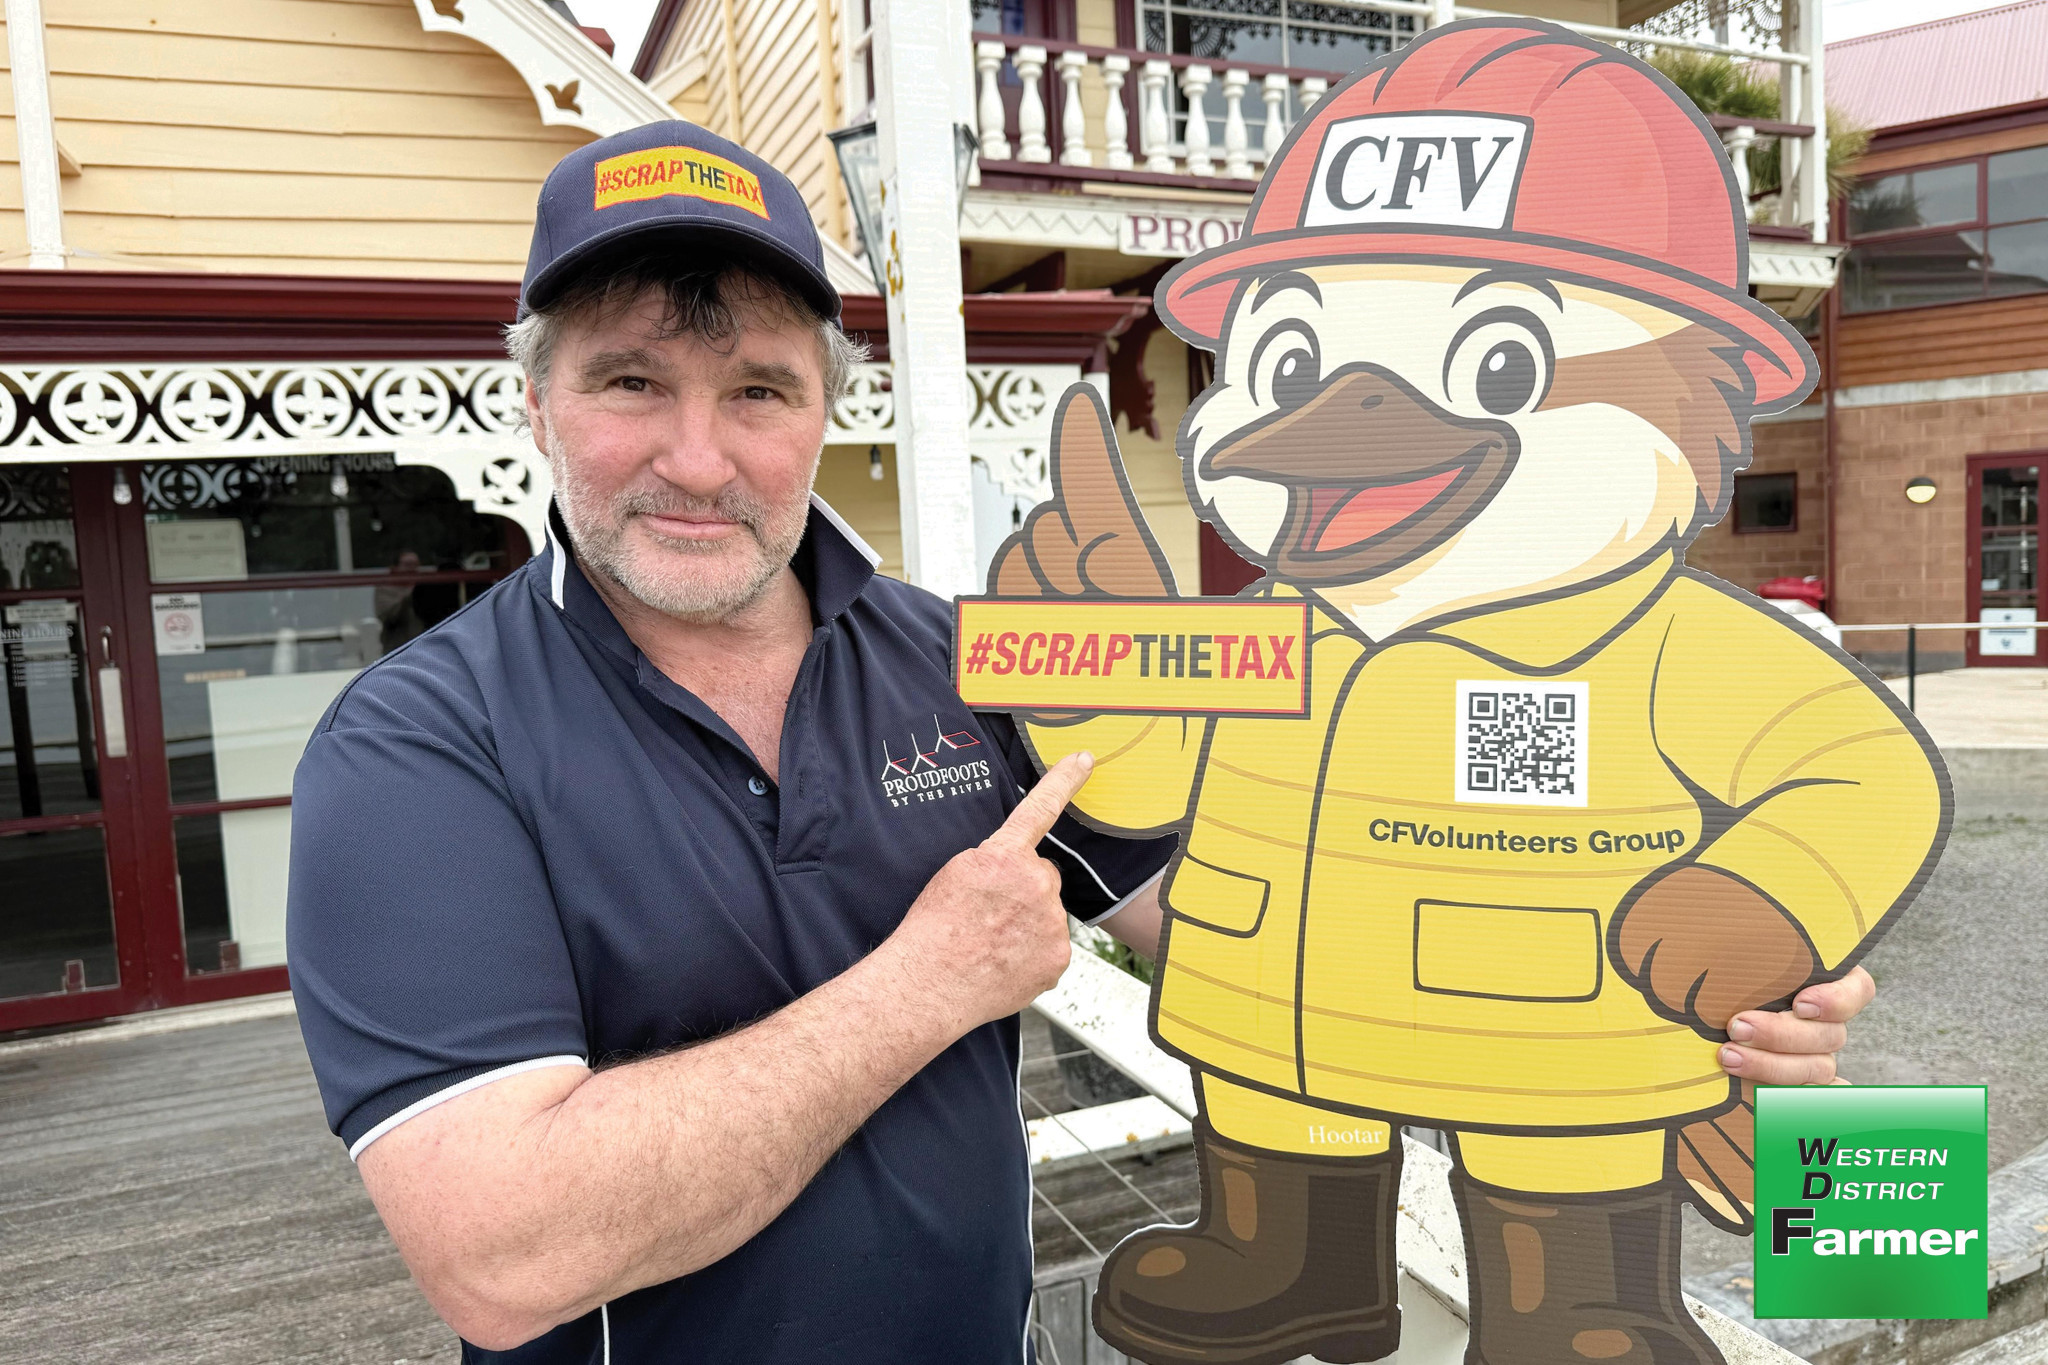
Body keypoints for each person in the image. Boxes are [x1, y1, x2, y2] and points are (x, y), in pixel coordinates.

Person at [286, 120, 1875, 1363]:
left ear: (827, 411)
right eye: (631, 381)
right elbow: (503, 1254)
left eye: (759, 390)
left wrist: (1657, 984)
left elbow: (1243, 914)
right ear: (538, 402)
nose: (699, 459)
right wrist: (928, 982)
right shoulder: (419, 749)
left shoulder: (968, 656)